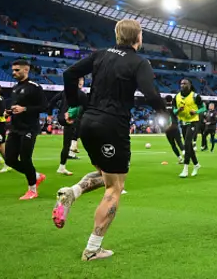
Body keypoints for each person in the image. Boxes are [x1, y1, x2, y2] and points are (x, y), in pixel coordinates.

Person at [52, 19, 167, 261]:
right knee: (115, 187)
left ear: (117, 35)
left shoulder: (100, 55)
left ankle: (72, 192)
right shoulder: (139, 62)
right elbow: (150, 93)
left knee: (107, 175)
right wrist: (165, 115)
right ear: (139, 37)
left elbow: (69, 73)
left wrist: (73, 104)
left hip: (88, 123)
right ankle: (92, 249)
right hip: (112, 126)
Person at [4, 59, 48, 200]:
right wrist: (9, 112)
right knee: (9, 160)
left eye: (17, 70)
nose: (14, 72)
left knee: (25, 158)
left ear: (26, 70)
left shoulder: (34, 87)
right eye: (13, 70)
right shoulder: (15, 88)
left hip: (29, 128)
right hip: (15, 128)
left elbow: (44, 107)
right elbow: (16, 106)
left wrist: (25, 109)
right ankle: (36, 176)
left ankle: (32, 190)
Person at [48, 77, 88, 176]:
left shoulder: (65, 92)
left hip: (62, 118)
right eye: (80, 80)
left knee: (66, 144)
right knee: (82, 115)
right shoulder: (81, 94)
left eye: (82, 80)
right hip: (70, 119)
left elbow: (52, 101)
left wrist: (49, 114)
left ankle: (62, 167)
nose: (81, 82)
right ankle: (74, 142)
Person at [174, 78, 205, 178]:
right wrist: (178, 110)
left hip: (193, 121)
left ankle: (185, 169)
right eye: (181, 83)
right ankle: (196, 165)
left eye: (185, 83)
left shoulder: (195, 96)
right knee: (189, 147)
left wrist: (196, 112)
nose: (183, 85)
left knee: (187, 143)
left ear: (190, 85)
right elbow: (173, 111)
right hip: (183, 122)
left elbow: (204, 108)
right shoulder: (177, 97)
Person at [164, 95, 184, 164]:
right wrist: (179, 110)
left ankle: (180, 158)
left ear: (165, 100)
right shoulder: (173, 107)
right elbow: (176, 112)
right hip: (174, 126)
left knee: (173, 145)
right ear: (171, 100)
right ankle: (185, 154)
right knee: (179, 142)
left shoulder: (163, 108)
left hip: (167, 129)